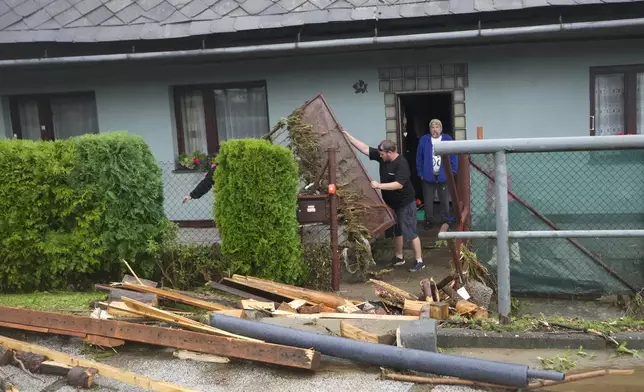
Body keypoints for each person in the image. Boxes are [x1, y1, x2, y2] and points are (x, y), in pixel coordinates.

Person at [343, 131, 426, 272]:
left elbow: (398, 184)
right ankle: (399, 257)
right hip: (392, 203)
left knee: (410, 232)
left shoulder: (402, 163)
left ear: (389, 152)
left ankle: (419, 261)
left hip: (405, 203)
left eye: (382, 153)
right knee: (397, 231)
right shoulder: (383, 157)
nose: (379, 155)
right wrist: (348, 137)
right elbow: (364, 148)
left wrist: (378, 186)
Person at [416, 119, 458, 230]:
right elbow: (419, 157)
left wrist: (453, 171)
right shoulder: (424, 140)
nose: (435, 129)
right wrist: (420, 172)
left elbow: (453, 155)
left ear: (441, 128)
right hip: (428, 176)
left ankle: (445, 220)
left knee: (444, 200)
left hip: (443, 175)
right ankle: (429, 220)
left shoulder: (447, 139)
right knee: (428, 201)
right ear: (430, 129)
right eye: (432, 127)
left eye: (437, 127)